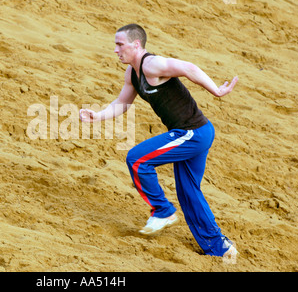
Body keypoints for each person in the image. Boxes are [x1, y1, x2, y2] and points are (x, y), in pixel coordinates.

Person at [79, 24, 238, 258]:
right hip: (196, 132)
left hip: (191, 133)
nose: (115, 50)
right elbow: (122, 103)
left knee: (137, 159)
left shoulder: (151, 64)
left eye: (119, 44)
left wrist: (216, 90)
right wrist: (98, 116)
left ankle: (162, 210)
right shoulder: (132, 73)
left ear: (136, 44)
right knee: (189, 192)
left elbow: (187, 67)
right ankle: (219, 247)